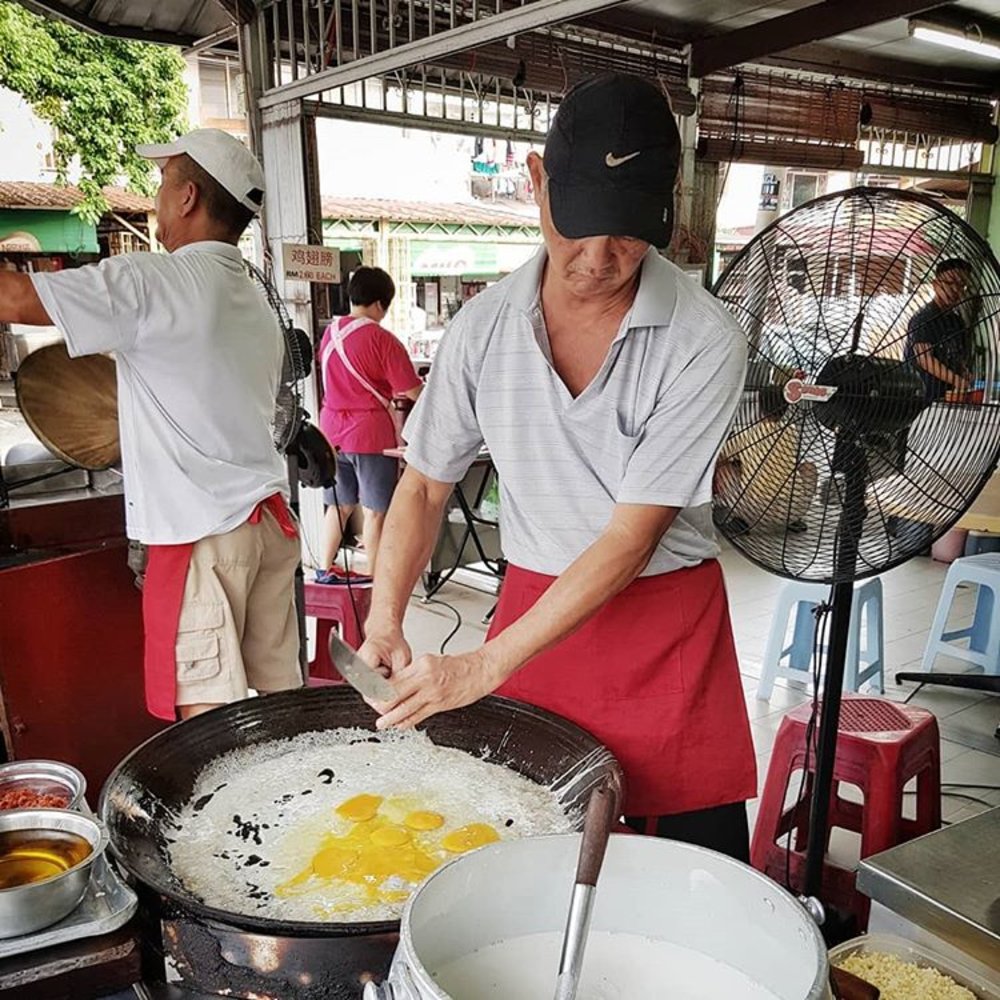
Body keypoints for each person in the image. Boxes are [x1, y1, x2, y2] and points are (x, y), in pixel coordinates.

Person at [357, 73, 757, 860]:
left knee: (683, 888)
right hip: (538, 622)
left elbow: (629, 537)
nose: (599, 259)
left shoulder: (703, 338)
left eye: (628, 233)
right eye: (576, 226)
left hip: (663, 632)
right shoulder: (483, 327)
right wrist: (384, 618)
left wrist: (479, 666)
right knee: (533, 874)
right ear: (535, 182)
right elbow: (427, 484)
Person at [0, 128, 301, 722]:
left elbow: (11, 300)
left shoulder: (152, 282)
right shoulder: (257, 302)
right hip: (268, 525)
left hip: (203, 536)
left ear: (188, 197)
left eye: (162, 184)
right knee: (280, 713)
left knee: (206, 726)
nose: (156, 199)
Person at [317, 266, 422, 580]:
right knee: (376, 511)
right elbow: (413, 391)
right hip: (370, 436)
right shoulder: (382, 339)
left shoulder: (329, 333)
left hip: (331, 433)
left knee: (339, 505)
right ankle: (375, 580)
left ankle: (324, 568)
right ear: (380, 304)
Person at [716, 384, 817, 534]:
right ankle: (793, 520)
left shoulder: (747, 433)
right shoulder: (792, 431)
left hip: (753, 511)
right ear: (787, 407)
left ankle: (739, 520)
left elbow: (720, 458)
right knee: (809, 467)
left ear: (759, 406)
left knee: (724, 469)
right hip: (792, 509)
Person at [904, 258, 975, 402]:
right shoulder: (923, 319)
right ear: (935, 284)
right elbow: (925, 359)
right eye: (950, 283)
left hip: (946, 400)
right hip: (921, 398)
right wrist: (956, 380)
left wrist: (964, 373)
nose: (956, 290)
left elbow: (957, 357)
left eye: (962, 285)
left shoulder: (957, 321)